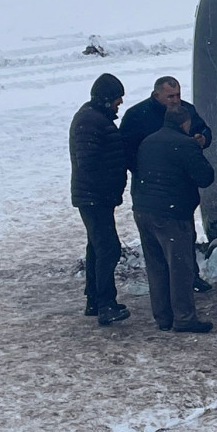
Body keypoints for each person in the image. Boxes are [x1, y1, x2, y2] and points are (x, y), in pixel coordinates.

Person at [120, 76, 214, 293]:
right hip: (150, 188)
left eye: (178, 95)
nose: (175, 100)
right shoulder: (137, 116)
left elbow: (206, 130)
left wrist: (203, 138)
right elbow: (125, 151)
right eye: (170, 96)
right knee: (159, 244)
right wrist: (147, 171)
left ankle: (191, 276)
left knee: (186, 235)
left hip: (181, 190)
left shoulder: (186, 111)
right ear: (156, 95)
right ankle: (170, 292)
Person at [132, 105, 216, 333]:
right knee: (180, 267)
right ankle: (184, 318)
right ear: (185, 123)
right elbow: (205, 177)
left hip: (143, 210)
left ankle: (163, 317)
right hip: (171, 214)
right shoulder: (185, 144)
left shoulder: (148, 142)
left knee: (156, 265)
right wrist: (196, 148)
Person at [69, 73, 131, 326]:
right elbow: (90, 162)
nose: (120, 104)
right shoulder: (91, 121)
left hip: (95, 196)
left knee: (97, 247)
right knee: (108, 248)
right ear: (106, 99)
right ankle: (105, 303)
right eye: (117, 99)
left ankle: (94, 299)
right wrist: (108, 185)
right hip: (95, 197)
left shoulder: (92, 118)